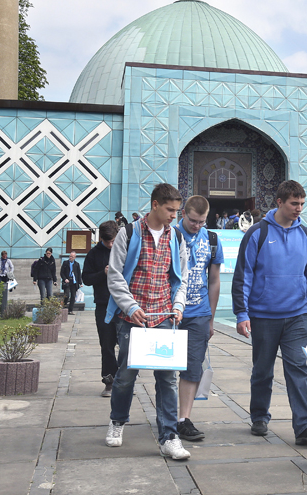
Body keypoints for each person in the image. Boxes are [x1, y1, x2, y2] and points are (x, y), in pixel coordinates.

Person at [232, 180, 307, 445]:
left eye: (302, 204)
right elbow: (244, 275)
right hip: (263, 316)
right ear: (280, 202)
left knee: (297, 369)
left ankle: (304, 426)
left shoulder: (306, 235)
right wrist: (242, 313)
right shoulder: (257, 233)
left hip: (297, 315)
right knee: (263, 370)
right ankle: (259, 416)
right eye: (294, 203)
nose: (299, 208)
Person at [104, 183, 190, 460]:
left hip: (163, 316)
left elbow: (182, 277)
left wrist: (178, 306)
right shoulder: (129, 233)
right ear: (155, 205)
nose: (174, 216)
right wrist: (130, 306)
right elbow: (115, 275)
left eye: (177, 211)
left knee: (168, 379)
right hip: (132, 318)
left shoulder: (176, 236)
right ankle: (117, 421)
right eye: (170, 210)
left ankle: (169, 437)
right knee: (125, 375)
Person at [174, 195, 224, 442]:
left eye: (201, 222)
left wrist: (211, 318)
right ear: (183, 213)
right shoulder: (171, 236)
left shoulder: (212, 240)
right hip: (170, 311)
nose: (197, 226)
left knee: (193, 366)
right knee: (164, 367)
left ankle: (183, 419)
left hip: (199, 312)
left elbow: (214, 281)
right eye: (193, 221)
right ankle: (165, 413)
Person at [82, 221, 119, 396]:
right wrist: (102, 274)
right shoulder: (94, 254)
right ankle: (109, 381)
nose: (111, 245)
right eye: (107, 242)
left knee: (128, 345)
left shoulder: (124, 250)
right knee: (107, 344)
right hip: (104, 305)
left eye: (113, 241)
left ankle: (125, 381)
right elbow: (86, 279)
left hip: (124, 305)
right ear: (101, 239)